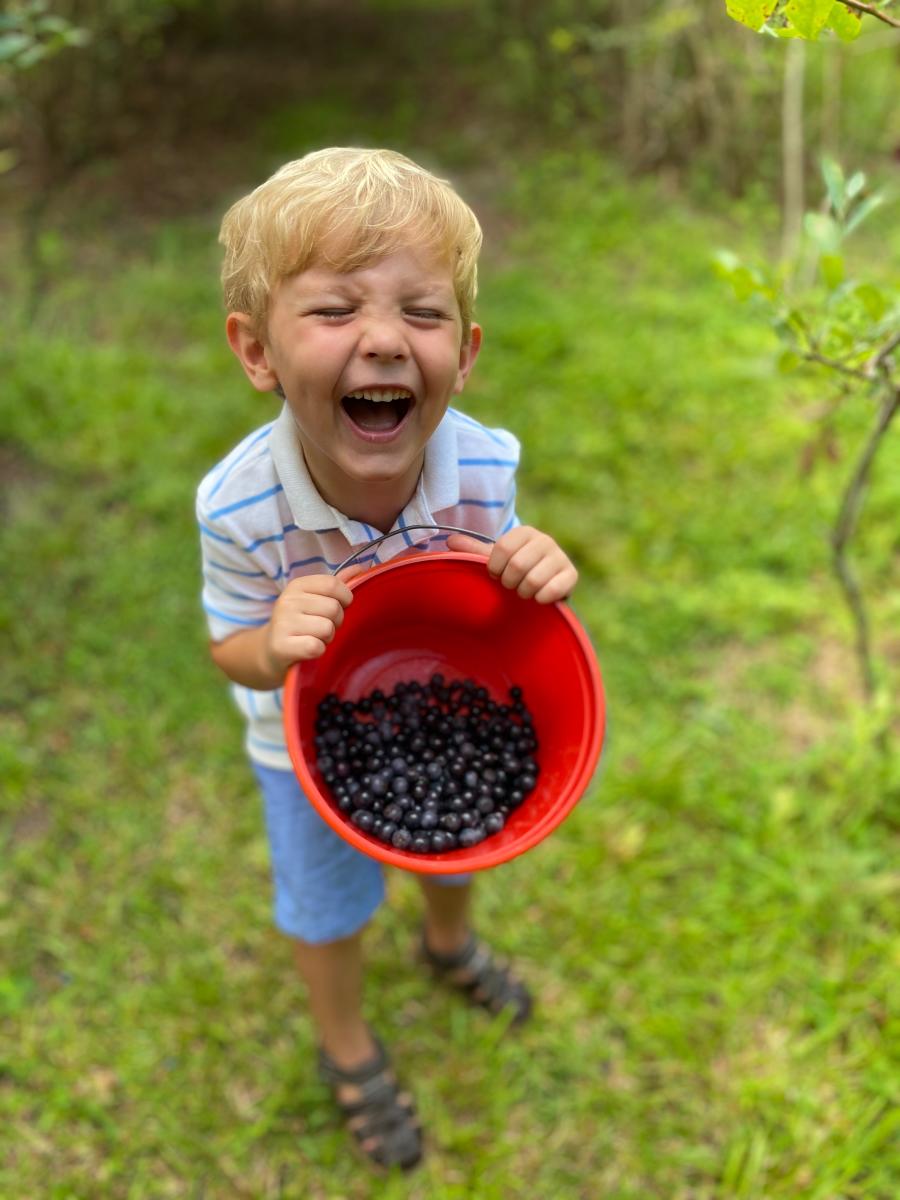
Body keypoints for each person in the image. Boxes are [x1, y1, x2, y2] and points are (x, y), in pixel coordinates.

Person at [196, 147, 577, 1172]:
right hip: (299, 744)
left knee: (460, 838)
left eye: (422, 312)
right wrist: (272, 646)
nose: (383, 342)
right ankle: (347, 1045)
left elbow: (502, 587)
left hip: (446, 700)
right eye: (333, 312)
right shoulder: (239, 508)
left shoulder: (486, 465)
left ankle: (446, 941)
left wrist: (532, 561)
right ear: (256, 350)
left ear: (468, 349)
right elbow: (226, 644)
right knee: (325, 904)